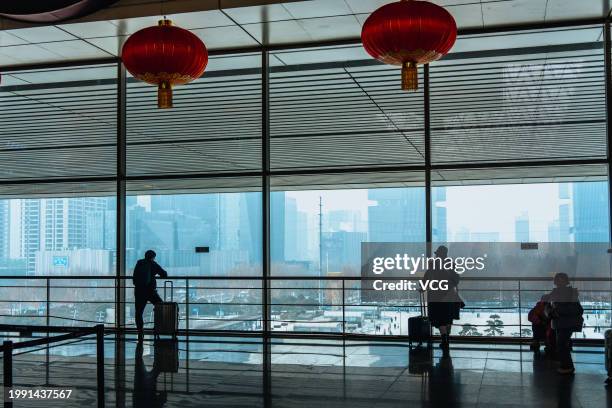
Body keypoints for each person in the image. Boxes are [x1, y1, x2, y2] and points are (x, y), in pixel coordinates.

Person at [423, 245, 462, 350]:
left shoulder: (433, 264)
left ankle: (444, 339)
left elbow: (426, 278)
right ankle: (447, 339)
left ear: (438, 254)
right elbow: (456, 279)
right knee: (448, 318)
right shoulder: (451, 264)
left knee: (439, 319)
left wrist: (423, 287)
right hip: (450, 296)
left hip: (436, 296)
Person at [545, 272, 584, 375]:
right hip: (564, 322)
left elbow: (551, 306)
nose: (559, 282)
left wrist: (554, 311)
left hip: (564, 322)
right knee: (562, 344)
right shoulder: (569, 292)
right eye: (558, 279)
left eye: (560, 279)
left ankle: (567, 366)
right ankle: (566, 365)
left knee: (561, 344)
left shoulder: (558, 293)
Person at [133, 250, 168, 341]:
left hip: (139, 291)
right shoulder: (153, 264)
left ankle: (140, 331)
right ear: (153, 257)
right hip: (150, 291)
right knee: (160, 306)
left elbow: (135, 278)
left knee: (139, 312)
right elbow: (164, 274)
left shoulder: (139, 263)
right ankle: (158, 329)